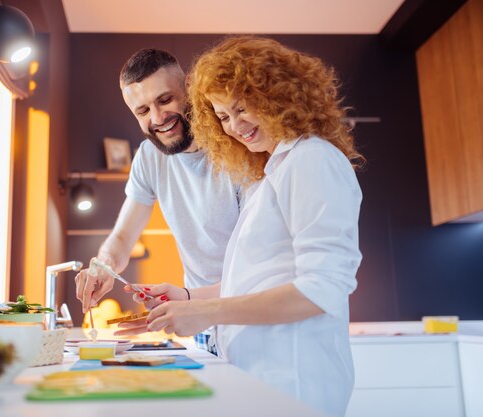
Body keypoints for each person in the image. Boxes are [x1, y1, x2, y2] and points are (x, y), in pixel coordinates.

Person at [115, 36, 364, 417]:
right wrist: (184, 297)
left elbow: (321, 291)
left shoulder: (313, 160)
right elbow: (258, 279)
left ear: (277, 94)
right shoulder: (275, 170)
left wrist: (211, 312)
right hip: (265, 379)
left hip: (295, 383)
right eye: (224, 117)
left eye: (242, 108)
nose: (235, 127)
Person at [74, 48, 242, 353]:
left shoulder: (238, 148)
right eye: (142, 111)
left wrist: (189, 299)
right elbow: (123, 237)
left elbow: (260, 270)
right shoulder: (149, 158)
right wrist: (104, 266)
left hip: (249, 315)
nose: (157, 118)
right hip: (201, 329)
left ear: (189, 88)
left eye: (165, 100)